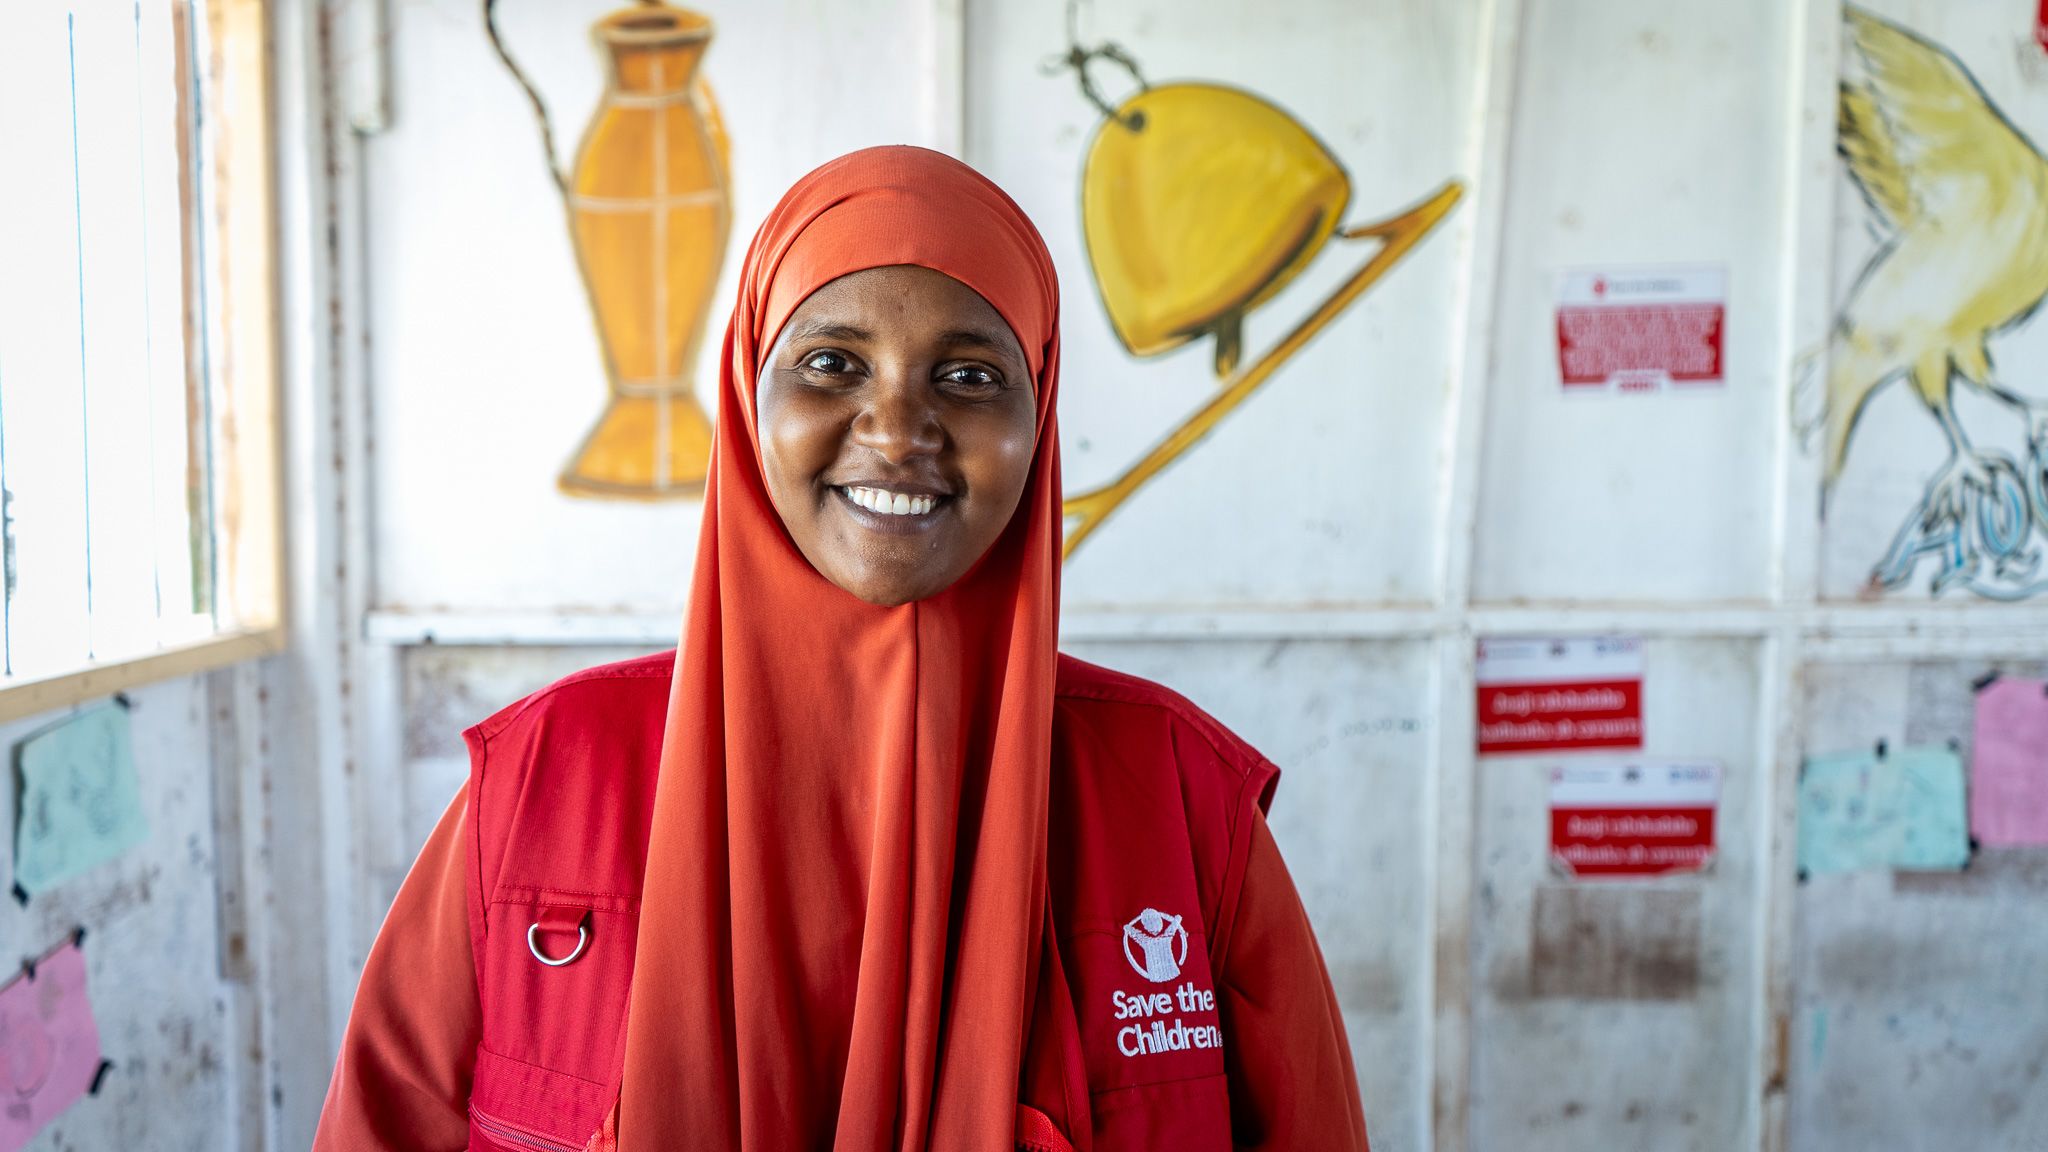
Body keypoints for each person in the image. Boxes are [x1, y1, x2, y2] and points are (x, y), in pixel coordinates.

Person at [313, 145, 1368, 1152]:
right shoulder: (548, 780)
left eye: (967, 376)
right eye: (829, 362)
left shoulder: (1182, 806)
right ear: (745, 393)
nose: (897, 428)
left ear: (1038, 416)